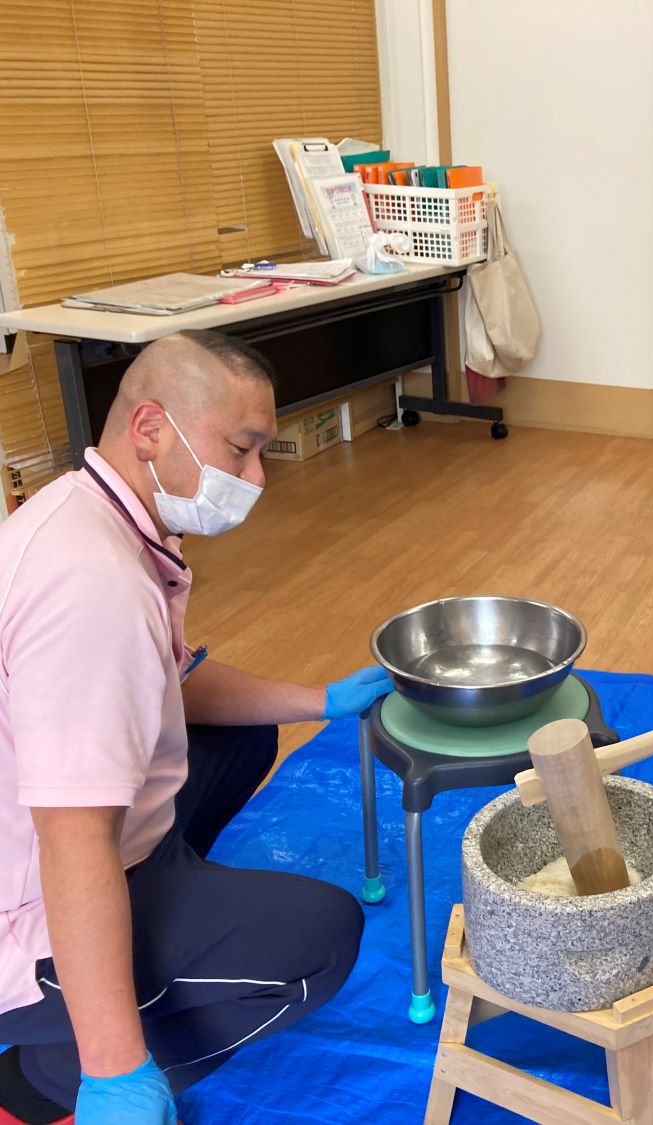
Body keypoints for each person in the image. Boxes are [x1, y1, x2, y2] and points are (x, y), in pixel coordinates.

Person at [0, 331, 394, 1125]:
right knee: (321, 937)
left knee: (246, 735)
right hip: (37, 889)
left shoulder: (99, 512)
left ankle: (161, 921)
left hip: (84, 829)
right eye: (241, 451)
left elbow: (172, 683)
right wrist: (115, 1070)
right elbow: (72, 836)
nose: (253, 479)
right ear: (149, 428)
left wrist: (319, 697)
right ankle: (44, 1069)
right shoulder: (93, 587)